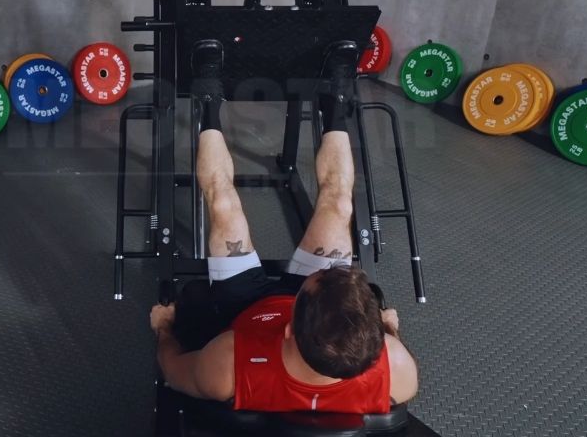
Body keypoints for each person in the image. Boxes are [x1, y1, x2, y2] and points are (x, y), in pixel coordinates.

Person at [148, 39, 418, 413]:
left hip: (241, 312)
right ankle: (335, 100)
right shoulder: (399, 370)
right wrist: (391, 331)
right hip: (322, 326)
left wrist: (163, 327)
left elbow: (173, 371)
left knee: (224, 203)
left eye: (316, 279)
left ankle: (208, 101)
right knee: (339, 202)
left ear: (289, 327)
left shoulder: (228, 363)